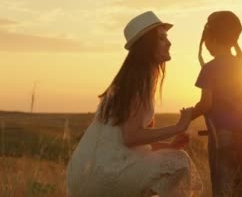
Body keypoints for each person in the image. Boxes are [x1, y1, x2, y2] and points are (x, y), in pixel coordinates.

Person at [67, 11, 202, 197]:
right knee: (179, 162)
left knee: (172, 157)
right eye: (162, 38)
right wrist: (178, 126)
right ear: (147, 45)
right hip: (106, 173)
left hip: (89, 173)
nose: (169, 43)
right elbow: (131, 137)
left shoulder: (131, 80)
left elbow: (129, 148)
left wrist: (169, 145)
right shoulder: (137, 84)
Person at [190, 11, 242, 197]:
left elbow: (206, 104)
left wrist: (189, 115)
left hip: (220, 136)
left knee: (223, 185)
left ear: (210, 39)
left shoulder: (209, 68)